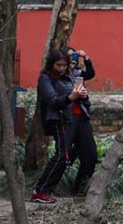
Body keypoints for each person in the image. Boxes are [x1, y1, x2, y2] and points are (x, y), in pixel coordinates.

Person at [30, 49, 97, 203]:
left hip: (81, 117)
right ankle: (40, 191)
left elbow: (87, 80)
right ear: (51, 64)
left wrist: (83, 96)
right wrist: (70, 97)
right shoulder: (45, 79)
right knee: (62, 156)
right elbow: (52, 101)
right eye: (58, 65)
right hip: (62, 119)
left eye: (64, 65)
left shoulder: (72, 74)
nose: (61, 68)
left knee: (90, 154)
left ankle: (80, 189)